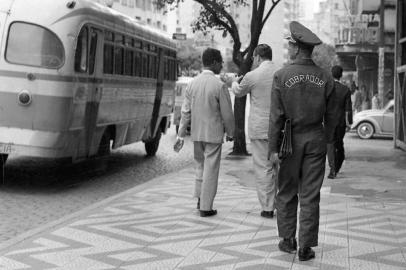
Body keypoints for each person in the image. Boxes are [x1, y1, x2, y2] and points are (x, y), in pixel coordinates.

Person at [268, 21, 336, 261]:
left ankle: (288, 240)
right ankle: (306, 247)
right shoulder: (326, 77)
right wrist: (327, 143)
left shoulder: (282, 75)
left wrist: (273, 149)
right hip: (316, 139)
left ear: (297, 48)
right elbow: (333, 117)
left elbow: (276, 117)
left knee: (286, 191)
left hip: (288, 142)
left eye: (290, 45)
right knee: (310, 194)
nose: (288, 49)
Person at [174, 48, 235, 217]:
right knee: (211, 170)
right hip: (213, 134)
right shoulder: (219, 86)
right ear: (214, 62)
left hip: (196, 133)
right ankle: (206, 207)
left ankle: (200, 198)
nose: (222, 65)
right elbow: (227, 114)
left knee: (200, 166)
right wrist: (231, 132)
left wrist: (180, 135)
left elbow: (185, 112)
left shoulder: (192, 83)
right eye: (221, 61)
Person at [230, 44, 279, 218]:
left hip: (259, 128)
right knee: (278, 165)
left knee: (263, 167)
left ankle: (267, 207)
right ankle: (281, 203)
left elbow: (238, 92)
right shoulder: (282, 73)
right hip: (279, 128)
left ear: (258, 57)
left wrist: (234, 81)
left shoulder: (252, 75)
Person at [327, 65, 352, 179]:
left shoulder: (326, 88)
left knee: (330, 145)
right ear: (341, 75)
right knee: (339, 145)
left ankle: (332, 169)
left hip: (328, 122)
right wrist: (348, 123)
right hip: (340, 122)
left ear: (331, 74)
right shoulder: (345, 89)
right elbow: (348, 109)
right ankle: (336, 167)